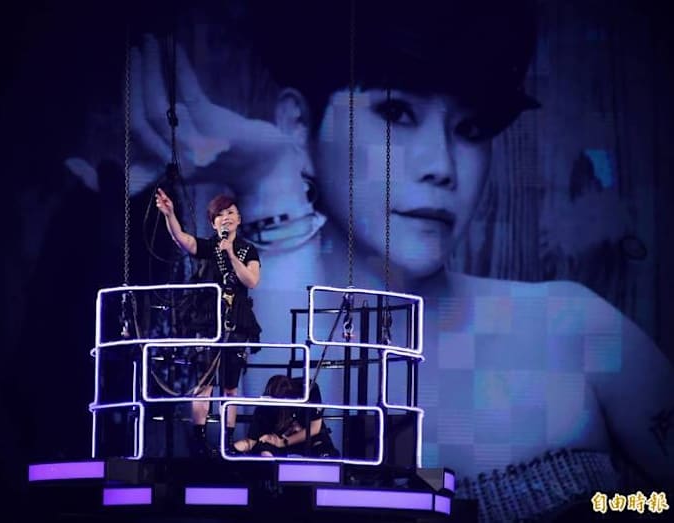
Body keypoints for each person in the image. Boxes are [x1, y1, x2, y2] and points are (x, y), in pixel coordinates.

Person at [69, 0, 674, 519]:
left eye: (471, 129)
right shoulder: (210, 361)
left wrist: (620, 507)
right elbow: (281, 477)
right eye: (397, 113)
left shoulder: (574, 329)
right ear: (297, 123)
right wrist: (269, 184)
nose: (441, 165)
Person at [155, 188, 262, 455]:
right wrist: (169, 214)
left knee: (230, 385)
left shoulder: (248, 249)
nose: (226, 218)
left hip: (236, 323)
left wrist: (231, 255)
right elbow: (182, 239)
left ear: (239, 218)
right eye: (220, 214)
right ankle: (199, 440)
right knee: (203, 382)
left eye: (231, 212)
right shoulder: (207, 247)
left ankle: (227, 441)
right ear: (213, 223)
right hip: (206, 321)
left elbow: (251, 280)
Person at [233, 374, 338, 458]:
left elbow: (315, 428)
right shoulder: (264, 408)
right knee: (265, 452)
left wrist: (283, 442)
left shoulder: (309, 389)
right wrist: (233, 449)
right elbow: (251, 441)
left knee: (325, 453)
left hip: (309, 438)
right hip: (276, 443)